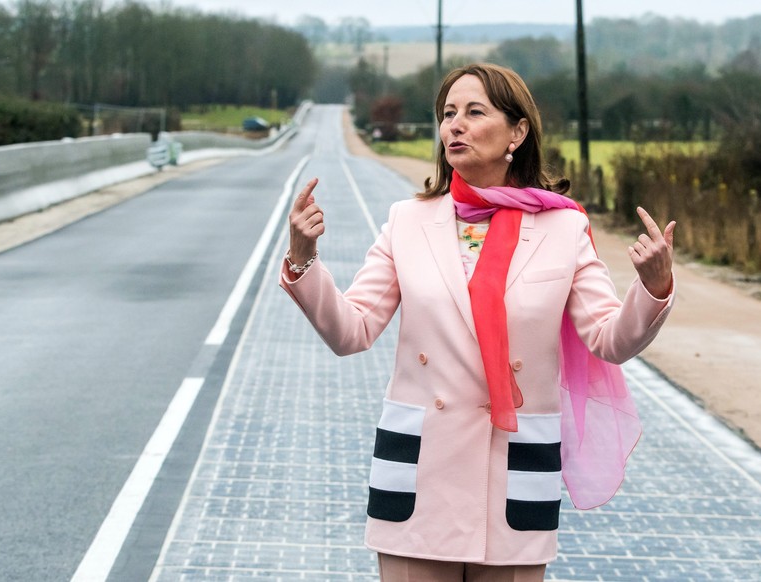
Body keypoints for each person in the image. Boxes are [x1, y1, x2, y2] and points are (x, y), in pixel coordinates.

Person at [281, 63, 676, 581]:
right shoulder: (408, 221)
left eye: (473, 112)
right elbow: (351, 330)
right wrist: (303, 259)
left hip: (513, 475)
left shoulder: (564, 226)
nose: (454, 126)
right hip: (420, 476)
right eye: (447, 114)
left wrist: (653, 287)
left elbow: (609, 339)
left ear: (517, 131)